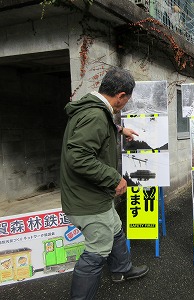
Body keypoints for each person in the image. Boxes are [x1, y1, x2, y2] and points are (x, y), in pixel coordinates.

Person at [60, 67, 148, 300]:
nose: (125, 104)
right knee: (98, 249)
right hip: (86, 199)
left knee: (116, 229)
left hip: (94, 194)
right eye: (126, 100)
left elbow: (97, 131)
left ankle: (122, 269)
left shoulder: (95, 110)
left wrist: (120, 129)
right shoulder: (96, 115)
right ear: (121, 95)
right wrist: (114, 178)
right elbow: (78, 157)